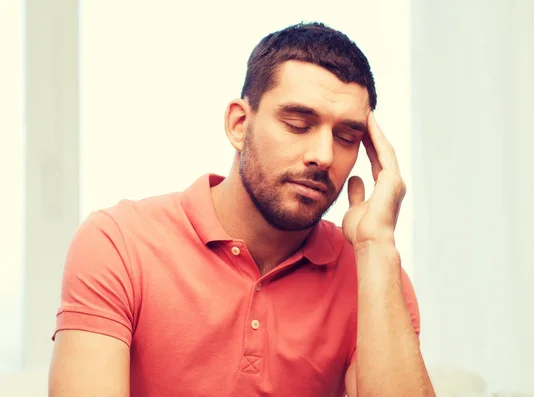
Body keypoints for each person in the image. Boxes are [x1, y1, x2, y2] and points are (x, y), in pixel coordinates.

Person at [48, 22, 435, 397]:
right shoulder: (118, 243)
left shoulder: (376, 273)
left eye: (346, 137)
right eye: (298, 125)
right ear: (238, 124)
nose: (323, 155)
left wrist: (376, 247)